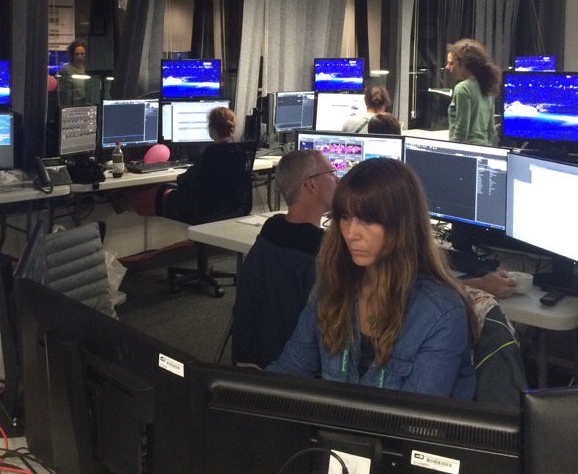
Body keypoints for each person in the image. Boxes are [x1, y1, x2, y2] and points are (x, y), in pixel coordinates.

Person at [267, 158, 478, 399]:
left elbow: (412, 416)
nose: (351, 233)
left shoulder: (440, 314)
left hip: (389, 425)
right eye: (345, 217)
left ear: (401, 226)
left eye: (367, 220)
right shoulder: (334, 286)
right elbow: (291, 370)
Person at [231, 149, 337, 368]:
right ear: (311, 184)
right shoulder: (324, 249)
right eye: (331, 173)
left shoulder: (271, 228)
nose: (337, 179)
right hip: (297, 367)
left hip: (252, 357)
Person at [158, 107, 243, 220]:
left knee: (166, 192)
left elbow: (185, 180)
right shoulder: (240, 153)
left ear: (212, 130)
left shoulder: (210, 153)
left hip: (203, 209)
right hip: (229, 208)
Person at [445, 38, 499, 146]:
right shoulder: (487, 86)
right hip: (484, 148)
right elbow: (490, 130)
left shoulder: (462, 88)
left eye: (451, 63)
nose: (447, 67)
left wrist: (452, 151)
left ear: (464, 64)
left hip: (466, 150)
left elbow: (461, 133)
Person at [57, 39, 89, 105]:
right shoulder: (66, 70)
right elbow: (64, 95)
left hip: (86, 106)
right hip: (72, 106)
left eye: (82, 54)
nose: (80, 56)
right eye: (77, 54)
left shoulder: (88, 69)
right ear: (72, 55)